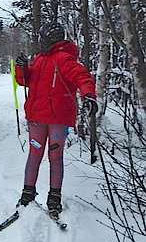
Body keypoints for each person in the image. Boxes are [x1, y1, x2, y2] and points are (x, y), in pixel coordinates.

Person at [14, 21, 97, 217]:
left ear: (50, 38)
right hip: (37, 118)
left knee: (54, 157)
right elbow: (24, 81)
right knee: (34, 155)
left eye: (42, 37)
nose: (40, 41)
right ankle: (28, 192)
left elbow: (82, 77)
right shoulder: (40, 59)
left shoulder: (64, 59)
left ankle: (54, 197)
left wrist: (89, 95)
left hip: (57, 119)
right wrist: (22, 68)